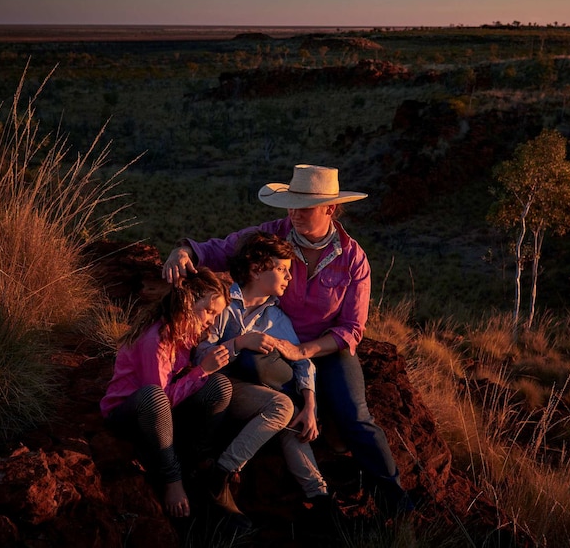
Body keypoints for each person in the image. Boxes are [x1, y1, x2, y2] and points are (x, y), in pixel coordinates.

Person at [163, 164, 413, 515]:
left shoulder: (353, 258)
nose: (294, 213)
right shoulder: (272, 239)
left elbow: (352, 328)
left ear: (330, 209)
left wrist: (305, 350)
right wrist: (183, 252)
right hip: (275, 344)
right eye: (291, 205)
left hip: (325, 348)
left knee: (357, 415)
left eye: (304, 207)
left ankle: (391, 492)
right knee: (254, 362)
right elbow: (222, 249)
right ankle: (301, 426)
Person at [194, 231, 333, 517]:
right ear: (257, 270)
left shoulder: (276, 317)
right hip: (220, 389)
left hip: (256, 394)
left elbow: (303, 363)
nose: (289, 277)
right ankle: (222, 473)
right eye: (281, 269)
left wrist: (310, 407)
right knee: (282, 406)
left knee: (292, 416)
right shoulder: (222, 304)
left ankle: (320, 499)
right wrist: (239, 343)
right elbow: (199, 353)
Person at [100, 267, 232, 520]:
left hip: (163, 413)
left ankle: (198, 462)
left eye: (216, 315)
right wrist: (202, 371)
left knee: (220, 386)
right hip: (130, 413)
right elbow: (162, 399)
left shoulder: (185, 335)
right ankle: (172, 478)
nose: (211, 321)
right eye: (209, 311)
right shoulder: (157, 338)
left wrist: (205, 372)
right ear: (188, 301)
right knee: (154, 396)